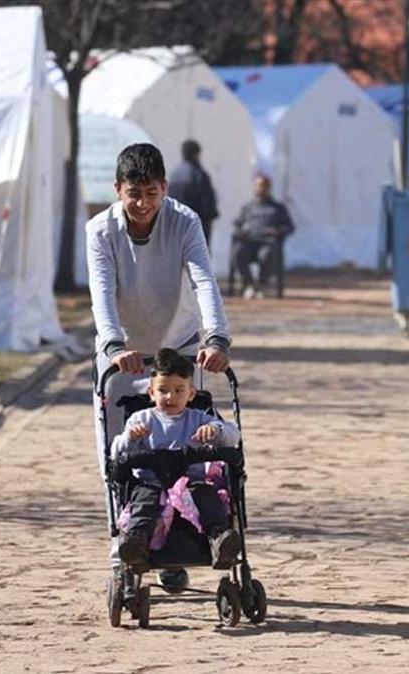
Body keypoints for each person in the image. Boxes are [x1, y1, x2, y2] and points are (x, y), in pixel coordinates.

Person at [87, 142, 231, 589]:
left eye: (151, 193)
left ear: (164, 188)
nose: (143, 204)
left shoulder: (184, 221)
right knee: (123, 452)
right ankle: (126, 545)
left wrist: (217, 337)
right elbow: (102, 292)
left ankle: (176, 547)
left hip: (180, 347)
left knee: (186, 446)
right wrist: (114, 347)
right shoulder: (99, 231)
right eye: (134, 193)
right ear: (118, 190)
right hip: (123, 352)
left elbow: (203, 278)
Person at [111, 348, 242, 572]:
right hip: (151, 483)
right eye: (163, 390)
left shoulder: (200, 418)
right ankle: (136, 543)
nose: (170, 397)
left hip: (192, 482)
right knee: (144, 503)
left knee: (209, 498)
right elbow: (117, 453)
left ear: (191, 394)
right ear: (151, 393)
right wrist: (130, 438)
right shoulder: (141, 419)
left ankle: (220, 540)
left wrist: (216, 430)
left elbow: (233, 435)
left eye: (178, 390)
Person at [232, 174, 294, 299]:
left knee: (266, 254)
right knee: (239, 252)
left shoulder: (277, 208)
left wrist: (278, 232)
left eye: (263, 186)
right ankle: (248, 284)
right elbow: (238, 224)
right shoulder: (248, 207)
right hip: (249, 242)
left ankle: (261, 285)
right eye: (258, 186)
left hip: (267, 243)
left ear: (269, 187)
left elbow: (289, 227)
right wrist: (240, 232)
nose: (260, 189)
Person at [167, 139, 219, 248]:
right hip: (196, 227)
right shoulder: (199, 174)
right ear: (197, 154)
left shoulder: (173, 174)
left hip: (175, 226)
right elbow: (208, 204)